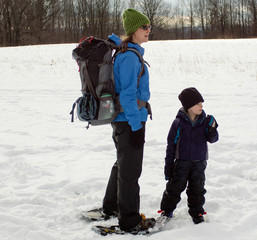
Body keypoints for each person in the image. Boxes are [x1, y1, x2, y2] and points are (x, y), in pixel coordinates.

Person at [101, 8, 154, 233]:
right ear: (133, 30)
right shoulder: (130, 57)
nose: (148, 31)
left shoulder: (127, 53)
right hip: (130, 120)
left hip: (122, 119)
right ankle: (130, 220)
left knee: (123, 164)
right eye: (144, 27)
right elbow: (128, 95)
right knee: (131, 171)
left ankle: (111, 206)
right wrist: (135, 123)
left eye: (149, 27)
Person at [159, 87, 219, 224]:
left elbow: (213, 139)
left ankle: (197, 213)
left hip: (199, 162)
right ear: (188, 106)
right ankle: (166, 211)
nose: (201, 106)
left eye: (201, 103)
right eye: (197, 103)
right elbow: (171, 146)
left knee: (197, 189)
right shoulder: (178, 123)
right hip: (182, 162)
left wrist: (212, 128)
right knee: (174, 188)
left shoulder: (205, 121)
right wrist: (168, 167)